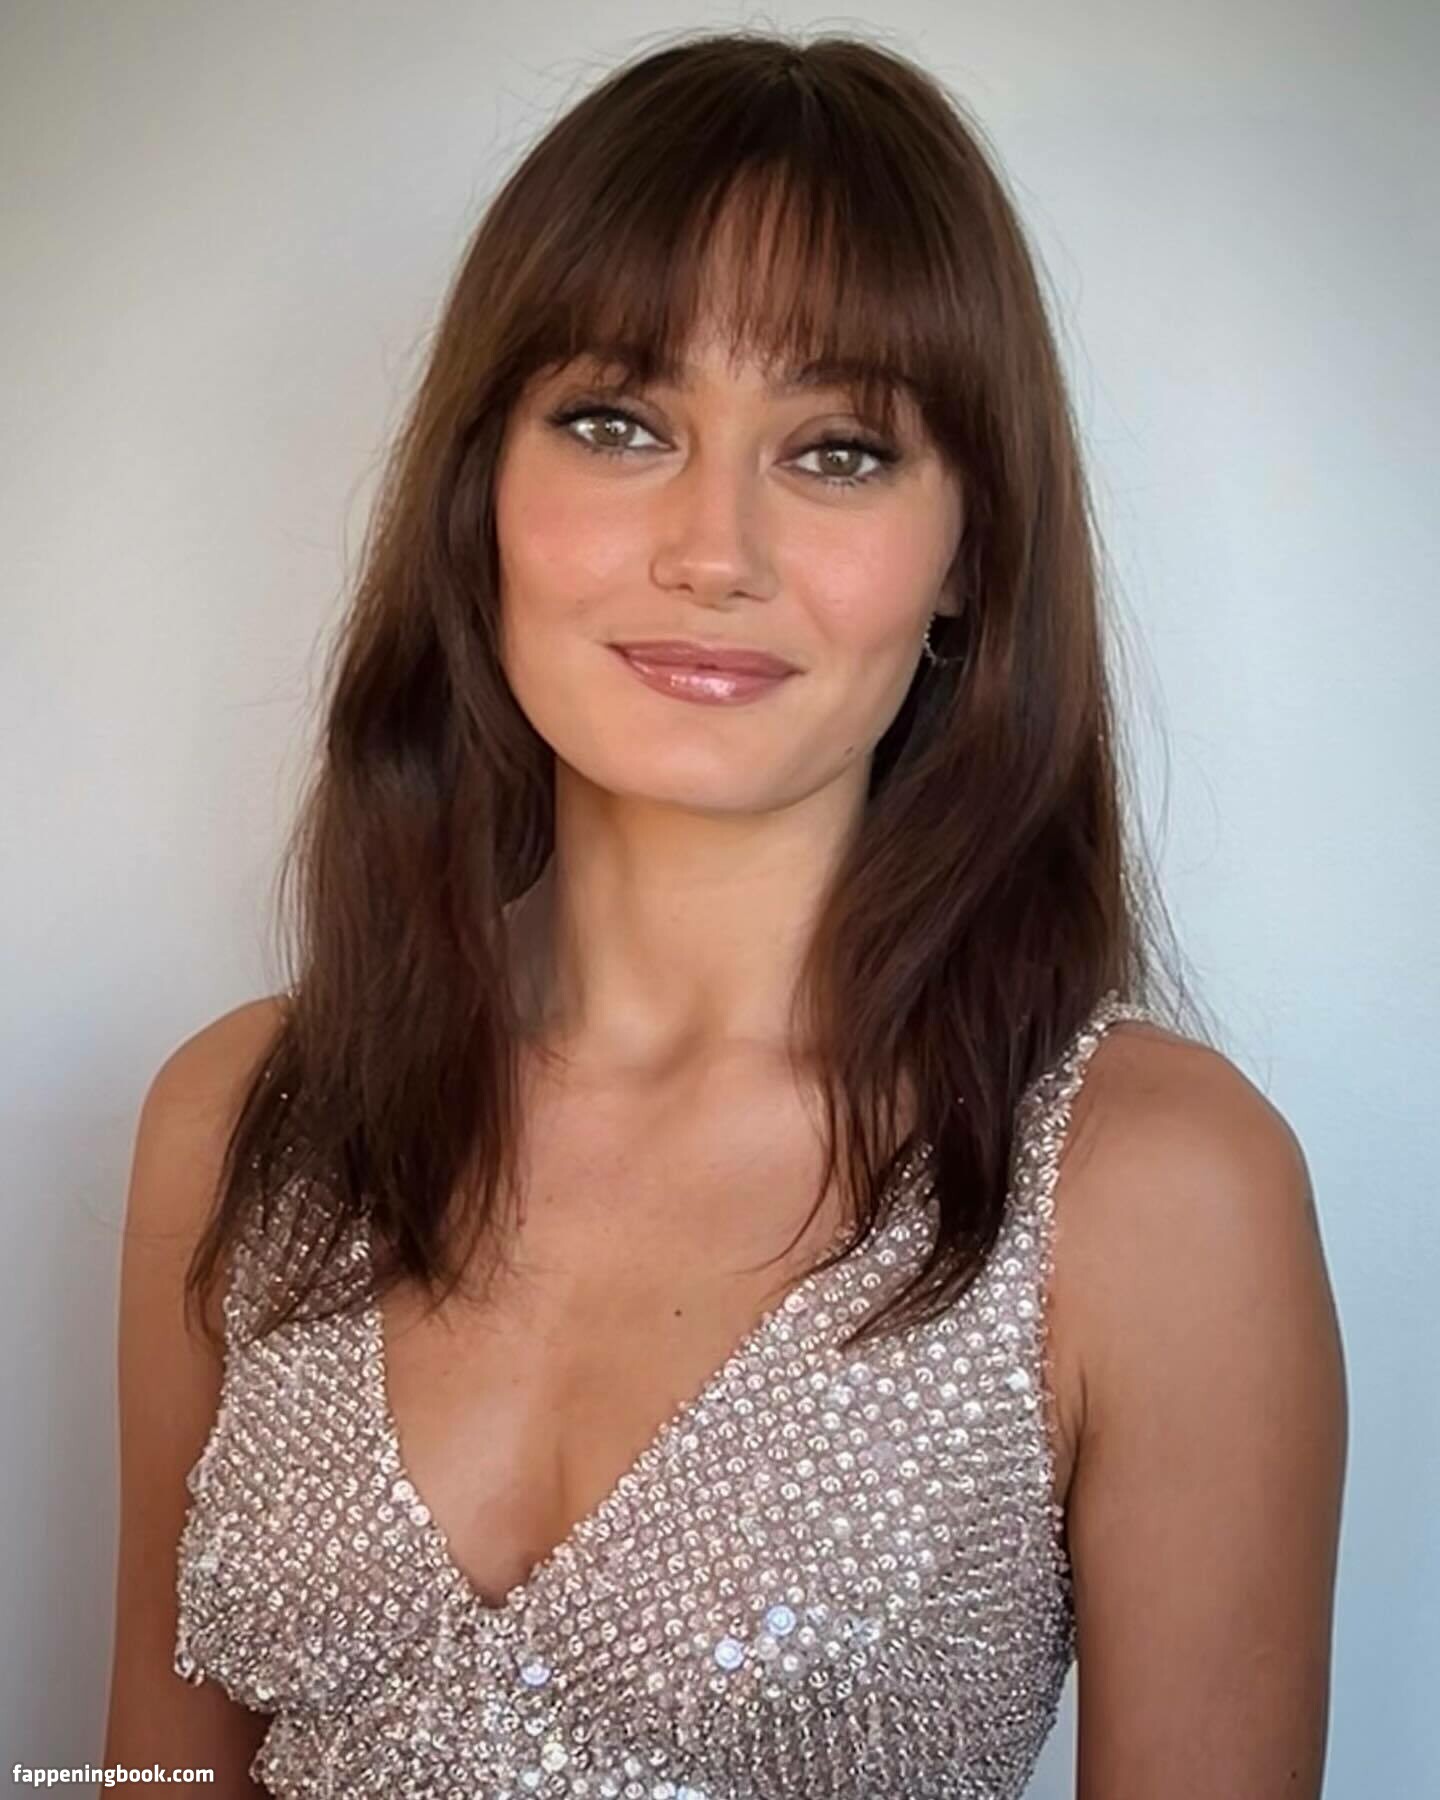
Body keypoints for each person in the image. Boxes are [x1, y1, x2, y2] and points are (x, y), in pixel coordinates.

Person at [103, 28, 1347, 1799]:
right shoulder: (247, 1121)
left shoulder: (1153, 1193)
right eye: (618, 422)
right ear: (483, 489)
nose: (714, 550)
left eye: (838, 451)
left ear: (969, 555)